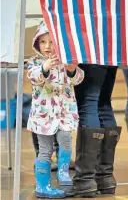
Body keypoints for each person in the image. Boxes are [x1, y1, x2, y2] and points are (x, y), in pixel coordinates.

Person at [27, 21, 84, 198]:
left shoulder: (65, 62)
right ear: (37, 43)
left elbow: (78, 79)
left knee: (66, 140)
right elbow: (34, 77)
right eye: (43, 42)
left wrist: (73, 70)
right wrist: (45, 68)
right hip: (43, 117)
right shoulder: (35, 62)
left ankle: (63, 173)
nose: (47, 46)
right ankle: (42, 186)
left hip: (64, 114)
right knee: (45, 150)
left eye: (52, 42)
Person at [64, 65, 122, 198]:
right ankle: (105, 178)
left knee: (88, 101)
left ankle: (85, 179)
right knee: (104, 102)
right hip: (109, 50)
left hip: (90, 50)